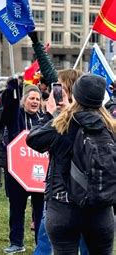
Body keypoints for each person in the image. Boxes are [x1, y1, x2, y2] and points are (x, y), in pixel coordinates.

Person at [27, 74, 115, 255]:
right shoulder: (111, 127)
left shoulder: (62, 124)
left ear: (76, 96)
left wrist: (49, 114)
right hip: (100, 207)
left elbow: (33, 140)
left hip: (63, 206)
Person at [0, 82, 49, 253]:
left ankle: (40, 244)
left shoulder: (43, 119)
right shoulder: (17, 116)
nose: (35, 102)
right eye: (32, 98)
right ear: (24, 100)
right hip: (18, 172)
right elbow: (8, 108)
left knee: (40, 211)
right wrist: (12, 89)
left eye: (38, 99)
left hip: (39, 174)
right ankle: (16, 242)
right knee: (17, 208)